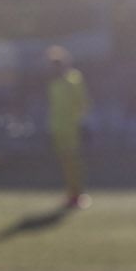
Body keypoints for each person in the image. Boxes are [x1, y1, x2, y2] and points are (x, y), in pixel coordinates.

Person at [45, 46, 91, 208]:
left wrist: (83, 123)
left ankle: (78, 194)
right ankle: (71, 193)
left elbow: (82, 103)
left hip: (72, 127)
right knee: (65, 161)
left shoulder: (74, 78)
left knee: (73, 160)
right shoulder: (53, 83)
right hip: (58, 127)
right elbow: (53, 107)